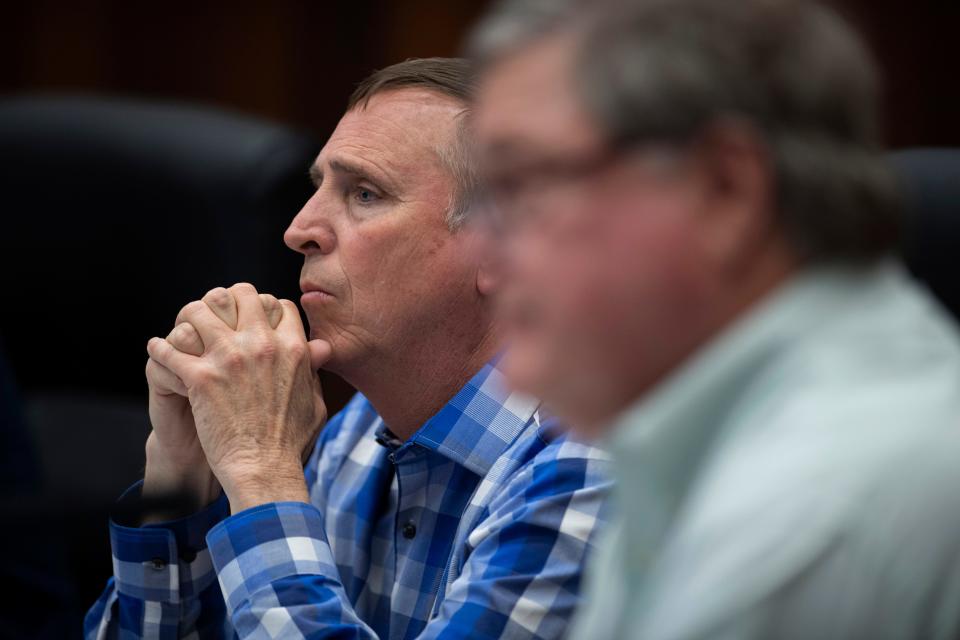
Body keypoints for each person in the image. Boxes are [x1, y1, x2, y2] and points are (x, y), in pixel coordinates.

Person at [469, 0, 960, 637]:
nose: (482, 249)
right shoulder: (684, 444)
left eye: (522, 185)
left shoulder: (804, 517)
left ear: (726, 190)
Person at [84, 57, 611, 639]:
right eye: (319, 188)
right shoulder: (359, 434)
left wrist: (261, 474)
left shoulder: (586, 472)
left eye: (364, 193)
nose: (299, 228)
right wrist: (182, 483)